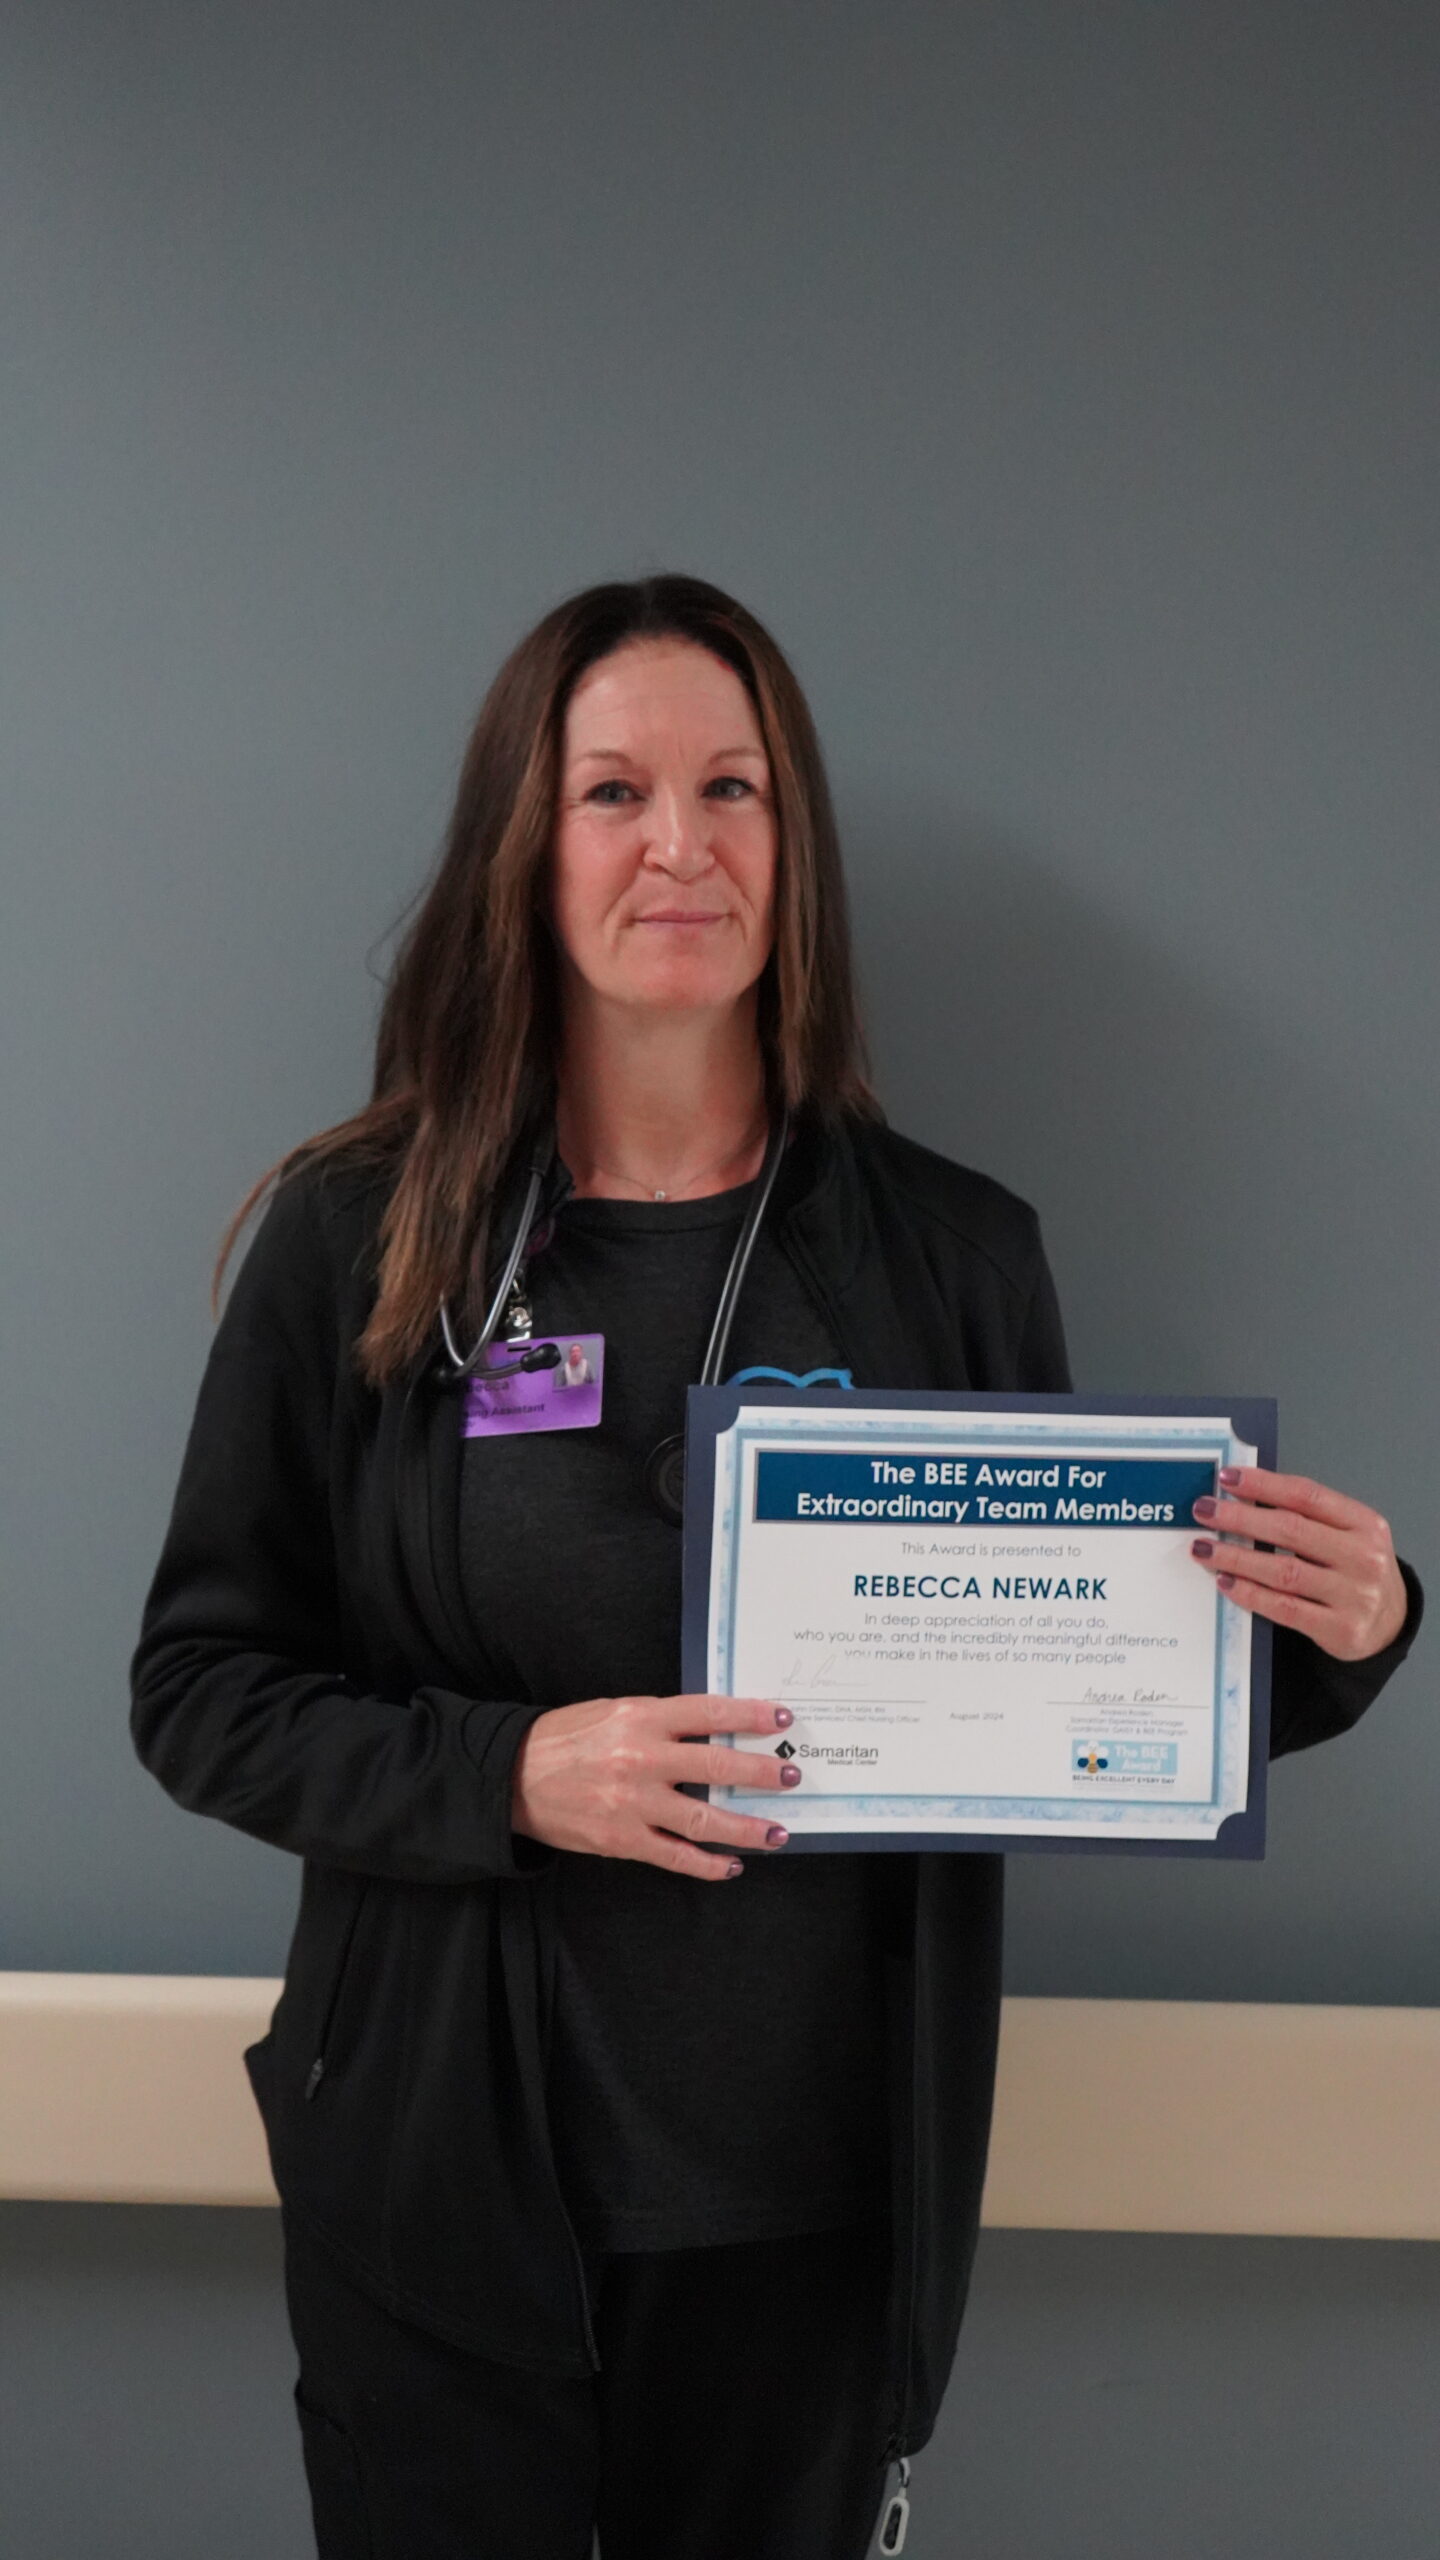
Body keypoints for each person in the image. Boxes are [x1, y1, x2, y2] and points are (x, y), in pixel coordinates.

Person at [130, 574, 1423, 2560]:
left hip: (809, 2224)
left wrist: (1342, 1631)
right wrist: (508, 1774)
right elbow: (202, 1689)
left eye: (732, 787)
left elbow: (1082, 1675)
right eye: (614, 791)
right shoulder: (364, 1237)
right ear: (520, 846)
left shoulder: (948, 1255)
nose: (680, 842)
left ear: (790, 845)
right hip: (442, 2188)